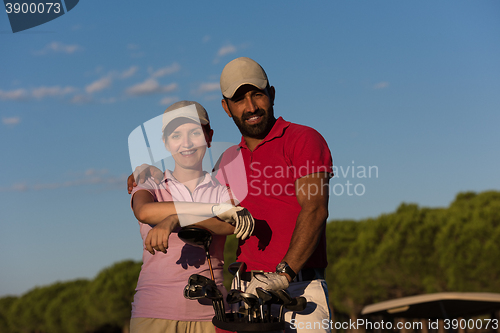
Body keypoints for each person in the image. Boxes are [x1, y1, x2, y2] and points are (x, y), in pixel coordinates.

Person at [128, 58, 333, 333]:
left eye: (257, 95)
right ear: (226, 107)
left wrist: (284, 274)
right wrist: (152, 171)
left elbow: (315, 209)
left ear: (271, 94)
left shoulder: (303, 139)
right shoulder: (226, 161)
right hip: (244, 297)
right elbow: (212, 208)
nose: (250, 107)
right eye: (239, 99)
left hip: (297, 289)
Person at [128, 100, 254, 333]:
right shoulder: (151, 183)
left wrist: (175, 218)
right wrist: (211, 209)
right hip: (153, 315)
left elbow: (229, 226)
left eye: (195, 132)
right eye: (176, 135)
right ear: (165, 143)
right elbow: (144, 211)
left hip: (213, 316)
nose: (186, 143)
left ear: (209, 136)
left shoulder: (221, 189)